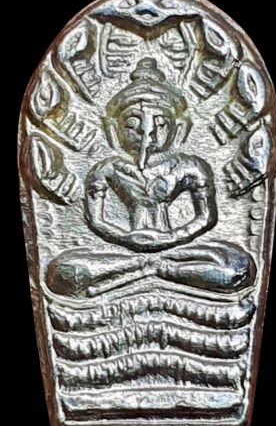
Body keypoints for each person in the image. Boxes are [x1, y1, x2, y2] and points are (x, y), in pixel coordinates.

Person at [46, 58, 255, 298]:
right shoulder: (107, 169)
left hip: (179, 250)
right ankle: (157, 271)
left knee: (237, 269)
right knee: (64, 272)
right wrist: (127, 238)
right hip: (122, 252)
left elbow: (206, 217)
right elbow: (95, 219)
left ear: (179, 128)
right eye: (132, 124)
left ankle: (151, 271)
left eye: (161, 124)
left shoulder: (191, 167)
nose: (148, 132)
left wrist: (171, 237)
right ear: (113, 129)